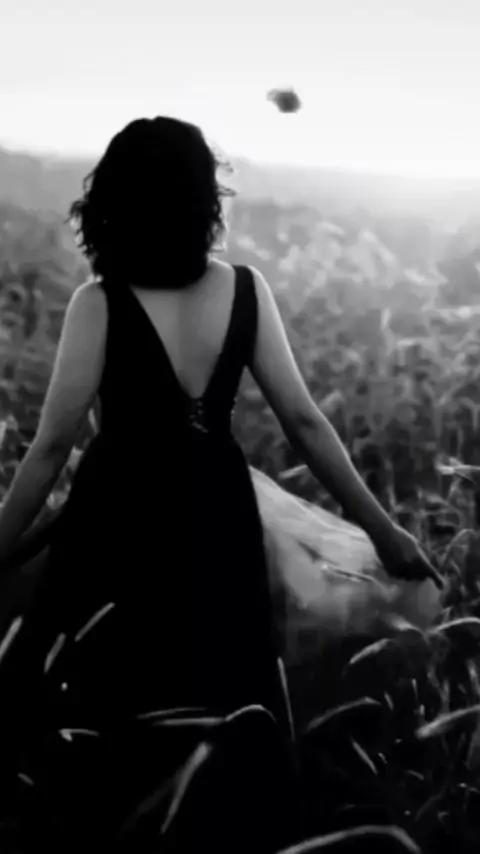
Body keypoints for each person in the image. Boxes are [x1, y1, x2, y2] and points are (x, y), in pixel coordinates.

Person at [0, 117, 442, 851]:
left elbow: (48, 450)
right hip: (217, 514)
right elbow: (304, 421)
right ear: (203, 198)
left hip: (118, 520)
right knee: (227, 690)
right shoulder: (245, 290)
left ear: (113, 203)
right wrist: (382, 529)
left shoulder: (97, 303)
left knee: (105, 703)